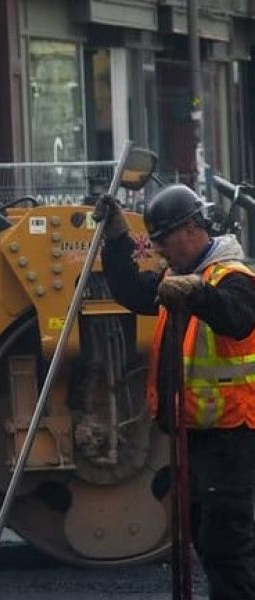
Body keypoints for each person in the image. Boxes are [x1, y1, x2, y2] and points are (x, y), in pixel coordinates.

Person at [96, 186, 255, 599]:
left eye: (164, 239)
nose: (159, 250)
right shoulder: (177, 279)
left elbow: (236, 318)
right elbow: (131, 291)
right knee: (205, 538)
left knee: (226, 546)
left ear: (190, 229)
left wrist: (199, 294)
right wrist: (116, 239)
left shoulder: (233, 279)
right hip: (195, 433)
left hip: (231, 436)